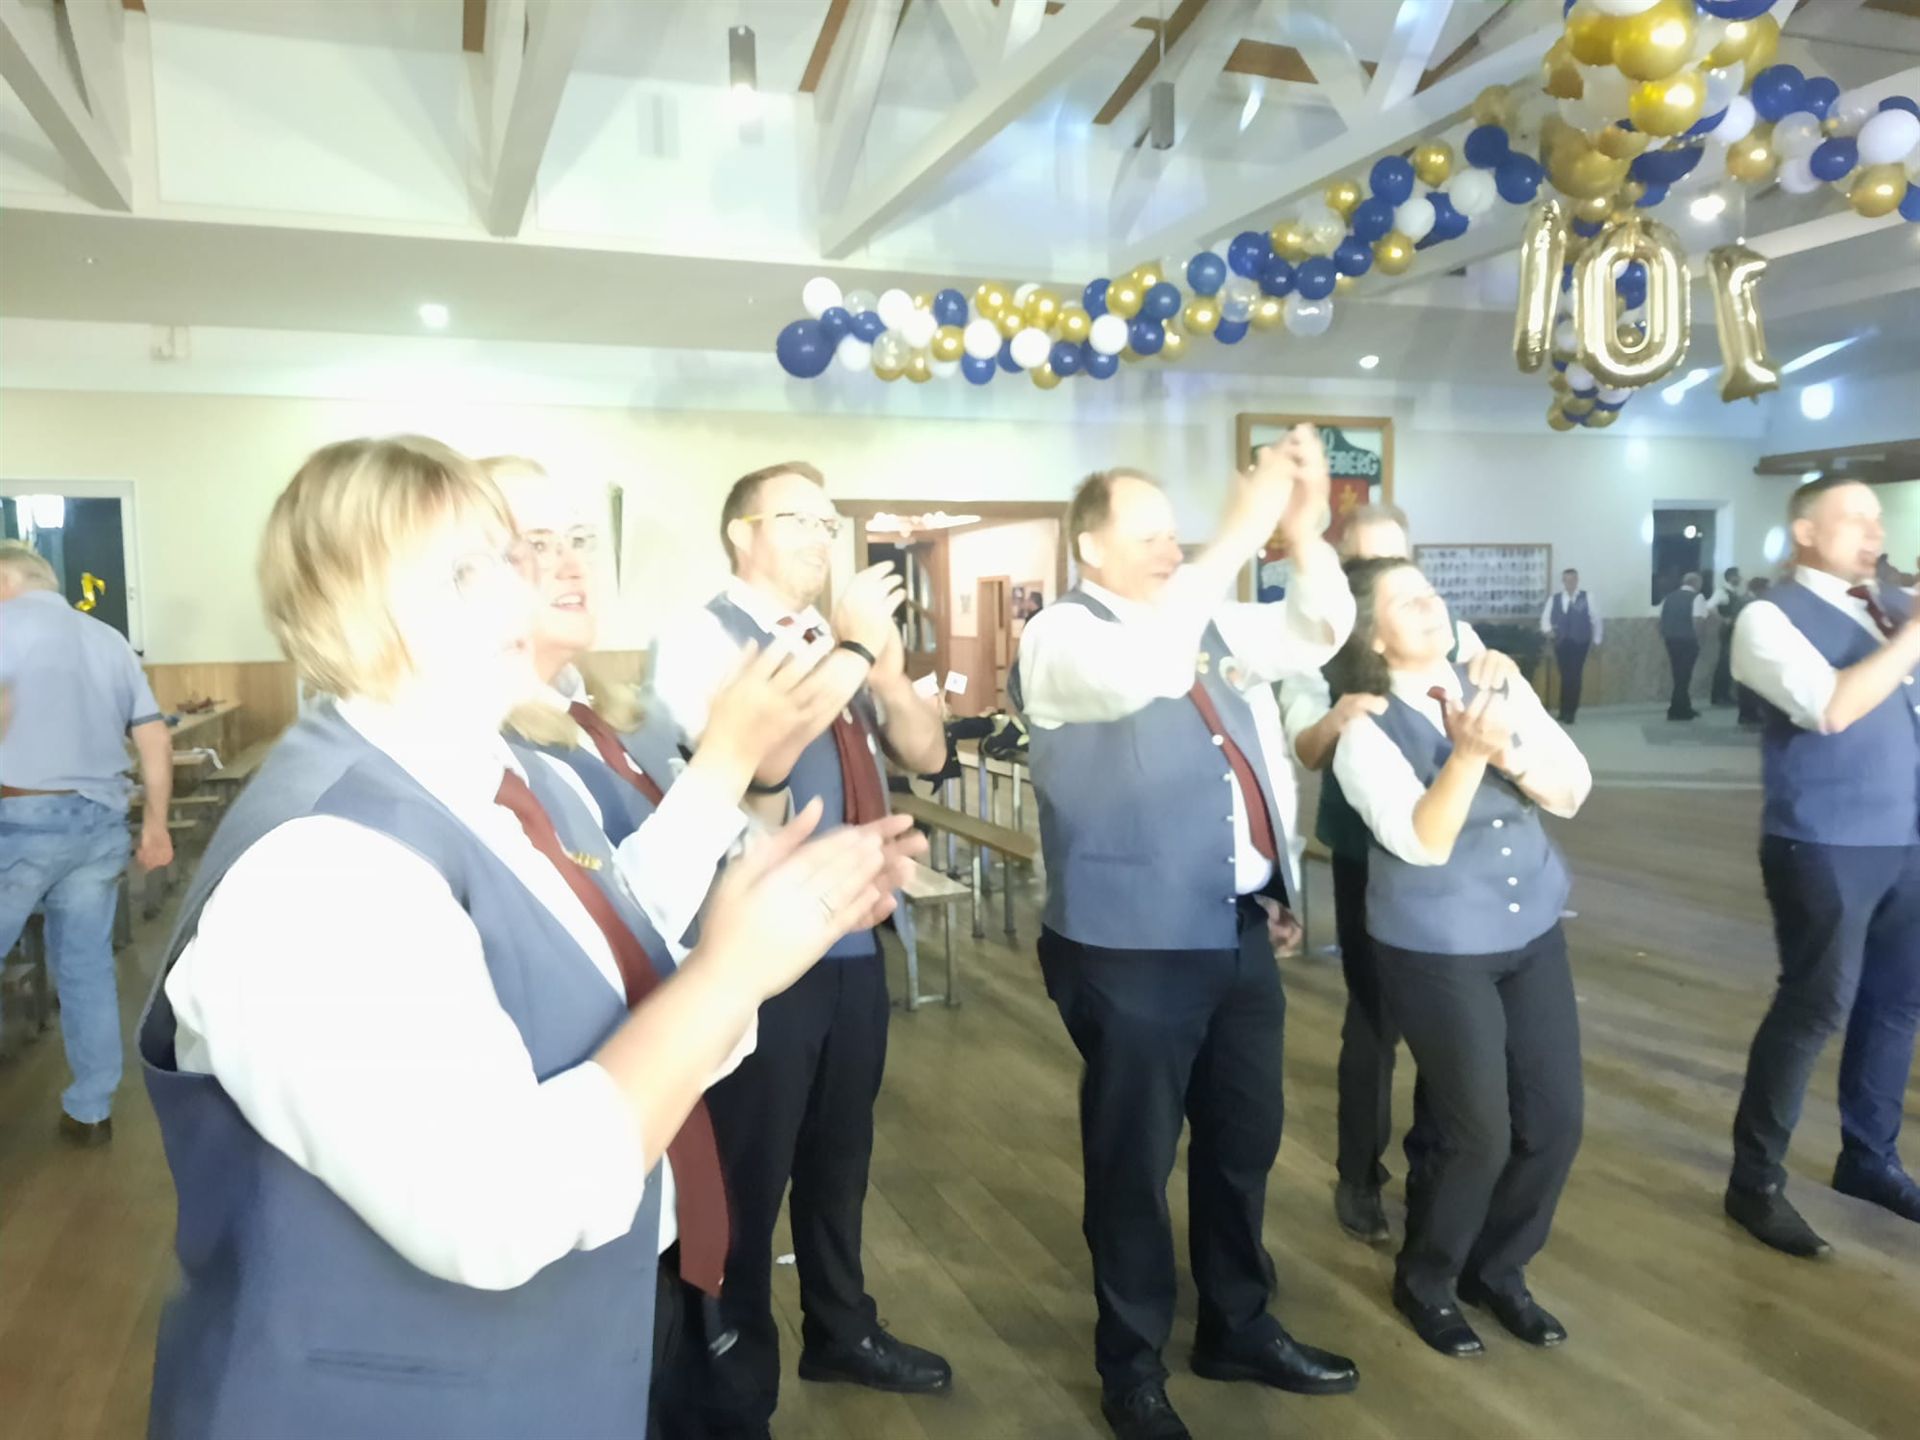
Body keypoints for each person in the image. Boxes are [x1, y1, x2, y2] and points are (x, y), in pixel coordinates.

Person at [137, 436, 922, 1439]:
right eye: (473, 569)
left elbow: (595, 988)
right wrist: (730, 977)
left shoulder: (506, 778)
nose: (525, 591)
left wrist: (742, 937)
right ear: (355, 601)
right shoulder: (320, 868)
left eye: (512, 559)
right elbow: (497, 1209)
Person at [1015, 431, 1360, 1440]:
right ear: (1091, 548)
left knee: (1243, 1139)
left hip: (1234, 928)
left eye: (1178, 533)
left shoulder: (1208, 618)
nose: (1173, 549)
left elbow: (1319, 628)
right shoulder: (1062, 637)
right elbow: (1146, 672)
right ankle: (1130, 1367)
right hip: (1128, 946)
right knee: (1133, 1161)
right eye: (1150, 535)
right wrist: (1239, 529)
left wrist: (1302, 532)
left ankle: (1236, 1324)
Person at [484, 455, 813, 1440]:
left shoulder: (592, 718)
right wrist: (732, 756)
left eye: (580, 539)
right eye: (533, 543)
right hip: (610, 1111)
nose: (570, 561)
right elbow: (610, 925)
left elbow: (678, 871)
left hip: (680, 1072)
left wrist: (759, 789)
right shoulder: (492, 750)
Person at [650, 461, 952, 1438]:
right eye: (798, 520)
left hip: (854, 936)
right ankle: (728, 1383)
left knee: (839, 1154)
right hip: (760, 948)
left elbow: (928, 754)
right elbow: (758, 761)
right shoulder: (701, 637)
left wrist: (887, 673)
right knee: (748, 1170)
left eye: (830, 523)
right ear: (742, 533)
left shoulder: (835, 641)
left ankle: (841, 1327)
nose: (824, 539)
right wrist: (855, 647)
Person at [1331, 556, 1590, 1359]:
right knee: (1477, 1132)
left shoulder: (1495, 682)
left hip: (1531, 929)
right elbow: (1423, 841)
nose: (1430, 606)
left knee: (1555, 1121)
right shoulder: (1363, 730)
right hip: (1435, 946)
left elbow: (1572, 789)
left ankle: (1498, 1270)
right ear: (1373, 637)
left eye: (1430, 592)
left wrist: (1509, 752)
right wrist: (1469, 755)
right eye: (1405, 601)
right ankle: (1428, 1278)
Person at [1281, 503, 1520, 1245]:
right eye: (1363, 562)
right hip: (1368, 853)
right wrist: (1341, 717)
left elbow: (1494, 685)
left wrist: (1502, 668)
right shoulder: (1316, 641)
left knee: (1451, 1028)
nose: (1383, 573)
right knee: (1376, 1019)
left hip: (1463, 857)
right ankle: (1358, 1174)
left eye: (1396, 559)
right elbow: (1307, 748)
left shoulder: (1444, 627)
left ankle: (1433, 1167)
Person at [1726, 476, 1920, 1257]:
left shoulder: (1896, 609)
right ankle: (1754, 1182)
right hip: (1825, 840)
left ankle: (1869, 1158)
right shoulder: (1767, 617)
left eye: (1879, 520)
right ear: (1805, 532)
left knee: (1897, 1003)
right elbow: (1829, 707)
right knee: (1814, 1006)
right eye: (1855, 519)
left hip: (1908, 837)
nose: (1875, 533)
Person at [0, 539, 174, 1141]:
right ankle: (91, 1109)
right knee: (85, 969)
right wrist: (156, 825)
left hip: (20, 821)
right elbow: (154, 738)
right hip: (100, 824)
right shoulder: (109, 640)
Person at [1539, 568, 1602, 724]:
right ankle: (1563, 711)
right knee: (1565, 675)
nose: (1570, 583)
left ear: (1577, 580)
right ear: (1563, 581)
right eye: (1567, 580)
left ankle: (1570, 712)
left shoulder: (1587, 597)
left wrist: (1597, 640)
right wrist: (1548, 631)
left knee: (1574, 675)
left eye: (1573, 579)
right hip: (1561, 642)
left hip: (1580, 642)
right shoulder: (1555, 599)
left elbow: (1596, 620)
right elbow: (1545, 618)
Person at [1657, 572, 1712, 721]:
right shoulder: (1697, 597)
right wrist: (1700, 640)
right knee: (1684, 676)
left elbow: (1661, 620)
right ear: (1695, 583)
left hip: (1671, 640)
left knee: (1678, 674)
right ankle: (1677, 710)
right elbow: (1697, 621)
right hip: (1688, 640)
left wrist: (1665, 635)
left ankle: (1683, 706)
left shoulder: (1669, 597)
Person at [1734, 577, 1770, 727]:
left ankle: (1748, 713)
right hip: (1748, 645)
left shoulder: (1745, 600)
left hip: (1746, 645)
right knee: (1748, 683)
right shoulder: (1749, 602)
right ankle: (1748, 713)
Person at [1711, 567, 1744, 707]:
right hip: (1727, 630)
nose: (1740, 579)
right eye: (1737, 576)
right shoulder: (1722, 592)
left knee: (1729, 663)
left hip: (1734, 630)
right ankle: (1718, 695)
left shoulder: (1734, 592)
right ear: (1730, 577)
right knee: (1724, 663)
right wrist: (1723, 619)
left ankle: (1724, 694)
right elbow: (1709, 606)